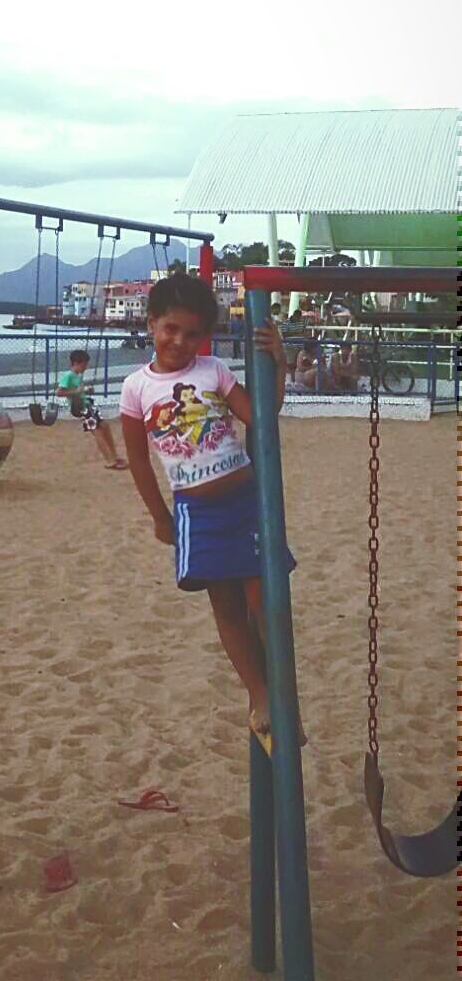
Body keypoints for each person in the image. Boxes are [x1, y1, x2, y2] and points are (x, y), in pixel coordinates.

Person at [119, 274, 302, 743]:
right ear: (152, 323)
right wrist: (160, 516)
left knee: (265, 599)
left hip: (244, 502)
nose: (180, 341)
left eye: (193, 333)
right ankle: (259, 693)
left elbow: (261, 416)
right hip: (196, 515)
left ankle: (283, 696)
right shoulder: (136, 388)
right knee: (227, 609)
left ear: (205, 336)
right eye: (171, 329)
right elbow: (138, 459)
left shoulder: (213, 372)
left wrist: (279, 365)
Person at [57, 350, 128, 470]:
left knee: (105, 426)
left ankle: (114, 456)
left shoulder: (77, 376)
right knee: (97, 431)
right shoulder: (68, 376)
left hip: (87, 405)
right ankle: (110, 460)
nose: (85, 368)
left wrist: (85, 391)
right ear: (76, 363)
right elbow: (59, 392)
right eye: (84, 365)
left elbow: (78, 391)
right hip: (80, 408)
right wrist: (77, 392)